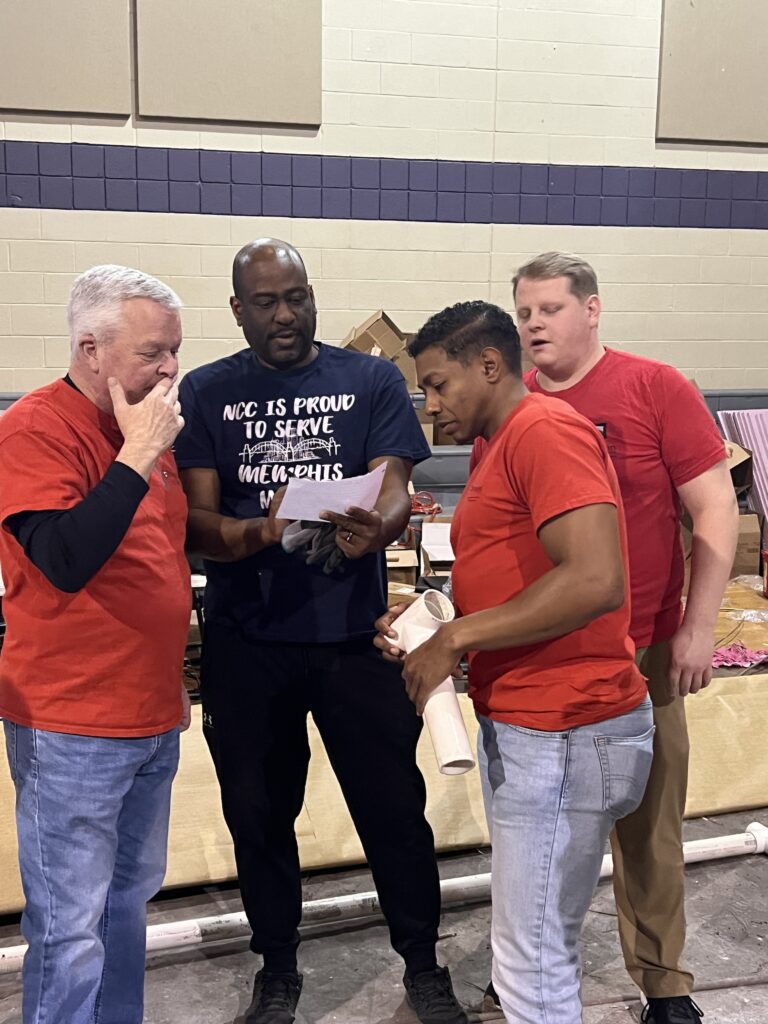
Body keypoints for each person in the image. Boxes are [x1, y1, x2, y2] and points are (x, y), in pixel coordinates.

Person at [174, 238, 468, 1024]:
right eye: (267, 302)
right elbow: (196, 523)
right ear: (238, 310)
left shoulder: (368, 377)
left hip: (354, 641)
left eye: (297, 296)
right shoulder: (205, 393)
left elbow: (398, 484)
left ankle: (423, 965)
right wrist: (261, 533)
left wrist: (381, 526)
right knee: (260, 816)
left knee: (393, 811)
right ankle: (277, 968)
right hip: (248, 645)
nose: (287, 314)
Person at [472, 253, 739, 1024]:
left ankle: (663, 984)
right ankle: (524, 968)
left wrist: (697, 630)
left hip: (645, 647)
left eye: (549, 309)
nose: (532, 325)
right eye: (523, 312)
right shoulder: (510, 409)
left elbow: (715, 510)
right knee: (533, 829)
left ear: (593, 310)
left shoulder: (654, 388)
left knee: (648, 826)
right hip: (540, 658)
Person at [375, 300, 655, 1024]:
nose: (430, 405)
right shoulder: (504, 440)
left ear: (490, 365)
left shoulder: (543, 430)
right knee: (540, 945)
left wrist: (456, 641)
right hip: (544, 725)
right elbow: (525, 575)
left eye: (438, 385)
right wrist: (436, 622)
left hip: (566, 725)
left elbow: (595, 579)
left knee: (530, 966)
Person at [0, 265, 191, 1024]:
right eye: (154, 353)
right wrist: (137, 455)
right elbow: (65, 559)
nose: (171, 368)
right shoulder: (35, 430)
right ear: (90, 349)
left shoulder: (146, 426)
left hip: (150, 717)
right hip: (71, 724)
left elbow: (159, 561)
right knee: (71, 926)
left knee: (125, 907)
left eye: (175, 350)